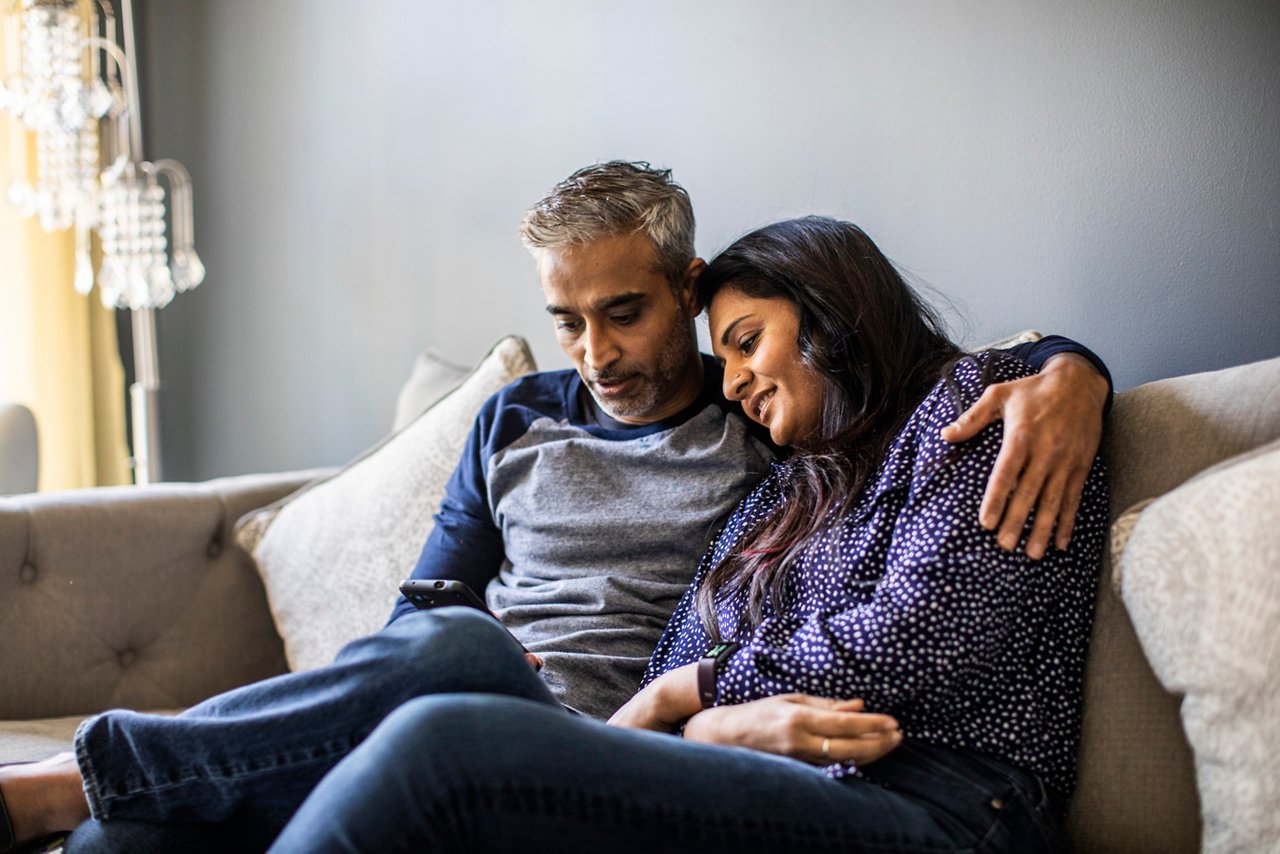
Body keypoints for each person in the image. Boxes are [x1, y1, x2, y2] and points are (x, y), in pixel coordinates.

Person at [0, 166, 1109, 853]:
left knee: (450, 726)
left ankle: (86, 772)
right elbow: (678, 642)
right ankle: (87, 792)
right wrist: (697, 710)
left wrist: (1072, 365)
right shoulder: (790, 477)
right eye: (566, 321)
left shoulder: (975, 412)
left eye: (742, 342)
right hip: (726, 761)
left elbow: (923, 633)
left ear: (832, 307)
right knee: (166, 817)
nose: (732, 384)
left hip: (946, 807)